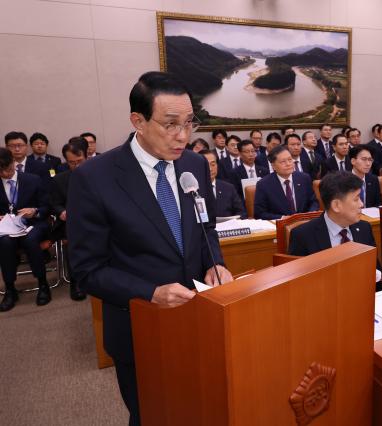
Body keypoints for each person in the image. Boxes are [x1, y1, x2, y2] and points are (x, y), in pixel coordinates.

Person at [67, 71, 233, 425]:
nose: (183, 137)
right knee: (153, 415)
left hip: (198, 319)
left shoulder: (195, 164)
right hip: (140, 329)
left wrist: (215, 263)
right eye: (170, 124)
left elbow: (206, 228)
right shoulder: (94, 178)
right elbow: (86, 270)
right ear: (137, 121)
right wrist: (151, 292)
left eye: (190, 123)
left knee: (202, 407)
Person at [0, 147, 51, 311]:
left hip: (33, 224)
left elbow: (46, 207)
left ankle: (43, 284)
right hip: (7, 228)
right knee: (5, 243)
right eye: (1, 172)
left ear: (14, 163)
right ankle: (10, 289)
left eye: (7, 170)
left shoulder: (33, 180)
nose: (6, 174)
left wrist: (34, 211)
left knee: (31, 240)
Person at [288, 171, 376, 257]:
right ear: (336, 206)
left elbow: (375, 268)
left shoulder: (364, 228)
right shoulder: (303, 236)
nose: (361, 204)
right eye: (356, 199)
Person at [49, 136, 89, 301]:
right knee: (72, 238)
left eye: (80, 160)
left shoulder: (100, 174)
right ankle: (77, 281)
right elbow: (55, 203)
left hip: (98, 218)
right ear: (66, 161)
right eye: (72, 162)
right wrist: (61, 212)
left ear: (87, 156)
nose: (77, 165)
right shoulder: (60, 180)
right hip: (72, 222)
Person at [253, 145, 319, 220]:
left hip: (304, 223)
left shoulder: (304, 178)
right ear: (273, 166)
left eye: (290, 160)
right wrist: (282, 218)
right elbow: (259, 213)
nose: (288, 164)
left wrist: (309, 214)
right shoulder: (263, 184)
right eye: (283, 162)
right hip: (280, 225)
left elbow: (314, 202)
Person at [200, 149, 247, 218]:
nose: (210, 169)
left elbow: (241, 212)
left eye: (213, 164)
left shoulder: (228, 187)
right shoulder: (193, 190)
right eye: (206, 165)